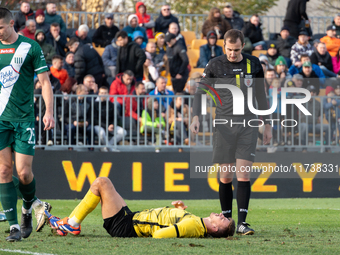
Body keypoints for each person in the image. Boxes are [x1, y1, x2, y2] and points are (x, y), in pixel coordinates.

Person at [190, 29, 272, 235]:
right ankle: (226, 219)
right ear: (223, 46)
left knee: (243, 175)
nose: (232, 54)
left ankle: (242, 223)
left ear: (242, 46)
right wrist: (196, 116)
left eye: (236, 50)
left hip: (248, 124)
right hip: (224, 126)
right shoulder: (215, 64)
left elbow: (261, 96)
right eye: (229, 49)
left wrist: (268, 123)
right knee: (226, 176)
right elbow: (201, 92)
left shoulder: (254, 64)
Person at [0, 7, 55, 241]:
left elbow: (45, 82)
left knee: (23, 174)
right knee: (4, 171)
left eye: (0, 27)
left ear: (11, 23)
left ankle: (27, 210)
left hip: (24, 120)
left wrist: (49, 112)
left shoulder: (30, 47)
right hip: (1, 119)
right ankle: (13, 227)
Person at [45, 177, 235, 237]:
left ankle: (71, 223)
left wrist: (174, 220)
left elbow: (160, 234)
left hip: (126, 226)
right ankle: (69, 222)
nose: (221, 214)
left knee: (101, 183)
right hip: (131, 218)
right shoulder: (195, 222)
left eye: (223, 218)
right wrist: (179, 211)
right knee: (103, 185)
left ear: (216, 227)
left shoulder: (194, 226)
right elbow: (173, 224)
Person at [93, 86, 126, 151]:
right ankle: (110, 148)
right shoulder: (94, 104)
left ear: (108, 94)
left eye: (105, 93)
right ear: (99, 94)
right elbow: (94, 119)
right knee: (102, 133)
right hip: (98, 125)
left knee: (123, 132)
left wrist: (112, 125)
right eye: (102, 93)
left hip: (110, 126)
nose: (103, 95)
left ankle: (106, 147)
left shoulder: (111, 104)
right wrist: (106, 126)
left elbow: (116, 116)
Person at [300, 85, 330, 152]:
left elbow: (320, 115)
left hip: (315, 125)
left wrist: (320, 120)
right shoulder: (301, 102)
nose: (312, 93)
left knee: (327, 127)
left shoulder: (318, 103)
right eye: (310, 92)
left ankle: (327, 148)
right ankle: (304, 148)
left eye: (313, 92)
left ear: (315, 93)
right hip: (304, 123)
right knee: (304, 127)